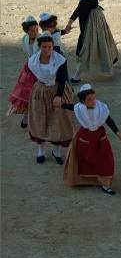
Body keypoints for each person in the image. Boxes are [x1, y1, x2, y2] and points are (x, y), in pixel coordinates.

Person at [61, 84, 121, 195]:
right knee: (85, 160)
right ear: (83, 101)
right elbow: (70, 106)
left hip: (99, 136)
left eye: (94, 98)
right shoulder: (79, 108)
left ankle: (106, 184)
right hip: (85, 136)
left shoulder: (101, 107)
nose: (93, 101)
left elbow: (108, 120)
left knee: (106, 159)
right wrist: (60, 104)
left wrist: (117, 132)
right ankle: (88, 180)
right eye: (89, 99)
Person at [64, 0, 118, 84]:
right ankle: (111, 59)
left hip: (91, 22)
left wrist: (69, 23)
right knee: (103, 40)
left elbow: (78, 10)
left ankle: (77, 76)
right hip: (96, 18)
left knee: (84, 47)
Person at [27, 33, 74, 165]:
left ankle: (56, 151)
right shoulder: (33, 61)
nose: (47, 49)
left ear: (53, 46)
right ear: (40, 47)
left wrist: (58, 95)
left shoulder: (60, 60)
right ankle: (40, 151)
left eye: (49, 46)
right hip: (40, 92)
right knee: (40, 120)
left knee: (57, 121)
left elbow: (63, 79)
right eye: (44, 47)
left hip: (57, 91)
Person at [6, 15, 40, 127]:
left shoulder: (40, 40)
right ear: (27, 31)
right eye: (32, 30)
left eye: (36, 29)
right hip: (29, 70)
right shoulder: (24, 39)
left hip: (39, 70)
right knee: (26, 94)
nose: (35, 32)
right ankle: (26, 116)